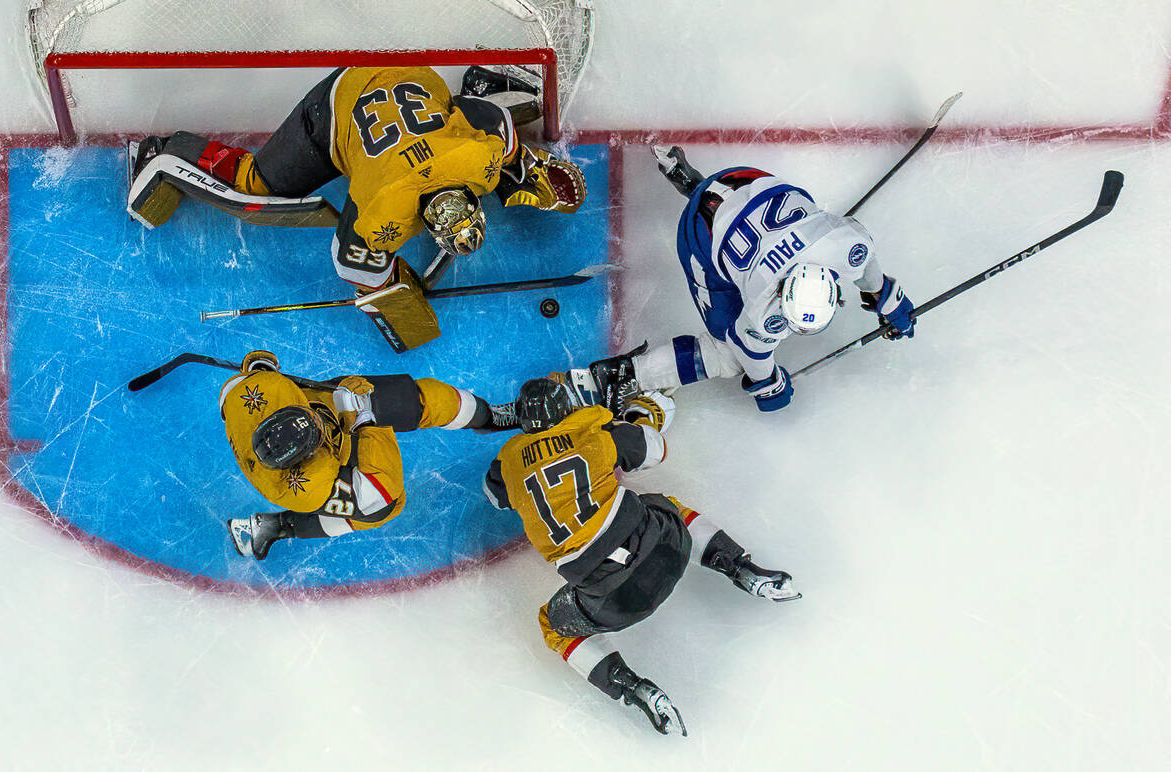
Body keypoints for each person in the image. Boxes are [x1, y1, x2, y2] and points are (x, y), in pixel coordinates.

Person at [126, 66, 586, 352]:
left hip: (403, 73)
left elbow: (492, 122)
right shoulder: (382, 213)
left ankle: (487, 85)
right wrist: (393, 292)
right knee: (258, 185)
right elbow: (352, 264)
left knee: (500, 151)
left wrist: (526, 165)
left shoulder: (479, 160)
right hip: (336, 107)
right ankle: (165, 153)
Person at [483, 378, 799, 735]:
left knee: (554, 626)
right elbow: (656, 448)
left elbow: (493, 495)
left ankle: (631, 687)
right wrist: (644, 414)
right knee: (666, 507)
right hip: (667, 547)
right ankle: (739, 566)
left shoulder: (508, 461)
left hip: (610, 599)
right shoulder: (594, 432)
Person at [587, 145, 915, 413]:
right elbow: (749, 352)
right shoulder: (765, 311)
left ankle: (694, 183)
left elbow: (865, 260)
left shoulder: (845, 242)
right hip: (699, 233)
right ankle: (629, 375)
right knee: (725, 353)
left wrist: (883, 291)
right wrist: (768, 384)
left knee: (747, 248)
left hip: (743, 179)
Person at [222, 349, 515, 560]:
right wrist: (363, 416)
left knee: (422, 398)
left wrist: (259, 364)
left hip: (325, 403)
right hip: (339, 455)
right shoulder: (305, 488)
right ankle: (280, 526)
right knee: (384, 507)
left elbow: (252, 370)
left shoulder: (259, 393)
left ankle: (488, 416)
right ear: (306, 456)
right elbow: (379, 490)